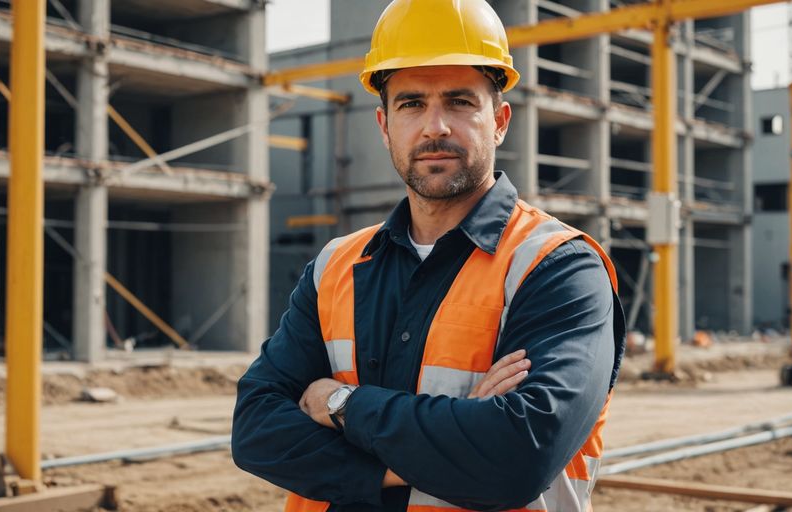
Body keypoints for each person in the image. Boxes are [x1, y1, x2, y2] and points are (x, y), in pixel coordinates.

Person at [232, 0, 626, 510]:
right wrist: (453, 436)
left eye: (460, 102)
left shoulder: (557, 266)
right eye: (412, 103)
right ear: (384, 124)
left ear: (500, 120)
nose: (434, 126)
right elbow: (256, 430)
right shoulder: (337, 266)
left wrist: (338, 403)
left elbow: (516, 456)